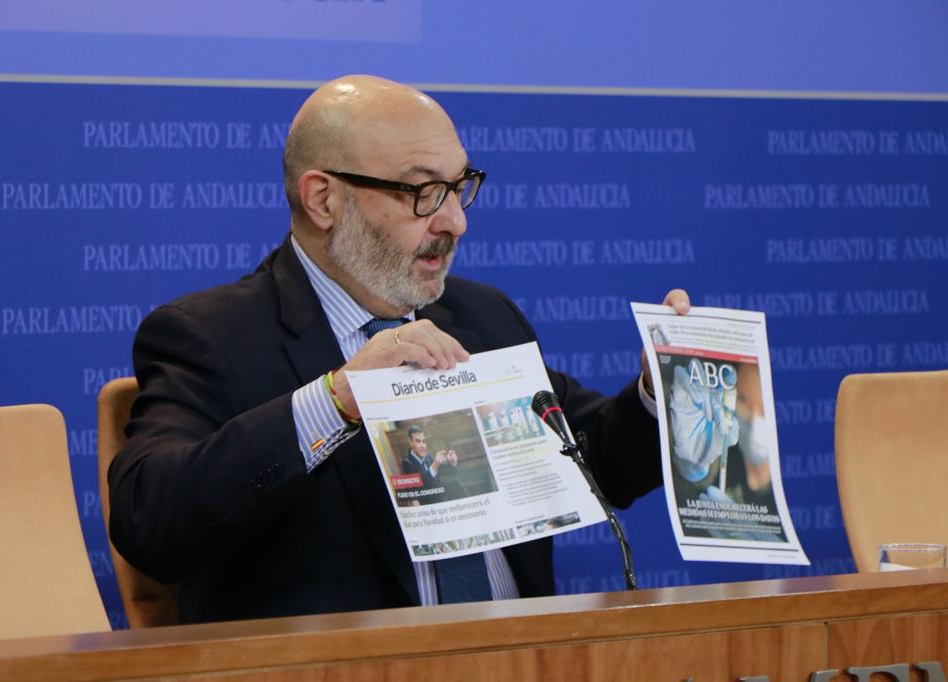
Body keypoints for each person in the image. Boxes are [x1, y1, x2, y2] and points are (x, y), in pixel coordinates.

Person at [108, 74, 691, 624]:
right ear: (323, 199)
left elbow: (600, 460)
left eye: (460, 188)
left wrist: (655, 391)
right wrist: (332, 402)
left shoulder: (483, 316)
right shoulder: (212, 336)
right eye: (423, 193)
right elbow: (149, 522)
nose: (456, 222)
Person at [400, 425, 459, 505]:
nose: (423, 445)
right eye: (418, 441)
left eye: (424, 441)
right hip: (429, 508)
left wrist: (452, 462)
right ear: (410, 442)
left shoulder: (428, 457)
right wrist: (435, 465)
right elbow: (423, 490)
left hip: (443, 502)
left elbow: (448, 473)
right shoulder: (407, 463)